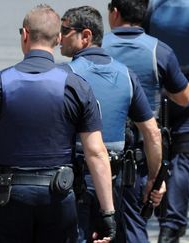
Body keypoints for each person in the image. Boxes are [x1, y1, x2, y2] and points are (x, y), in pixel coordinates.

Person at [0, 4, 116, 243]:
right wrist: (107, 213)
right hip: (57, 198)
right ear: (56, 40)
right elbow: (96, 152)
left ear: (24, 34)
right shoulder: (76, 87)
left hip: (9, 198)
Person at [58, 6, 165, 243]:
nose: (58, 38)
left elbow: (14, 87)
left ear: (85, 36)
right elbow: (152, 133)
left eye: (64, 31)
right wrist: (155, 180)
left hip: (75, 184)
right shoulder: (126, 75)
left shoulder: (64, 74)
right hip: (114, 185)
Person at [102, 0, 189, 242]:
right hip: (139, 156)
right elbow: (184, 98)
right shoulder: (159, 51)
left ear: (115, 13)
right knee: (133, 228)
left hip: (97, 151)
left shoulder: (98, 46)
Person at [143, 0, 189, 242]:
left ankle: (166, 223)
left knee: (163, 161)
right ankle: (170, 228)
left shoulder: (153, 7)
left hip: (160, 95)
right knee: (182, 164)